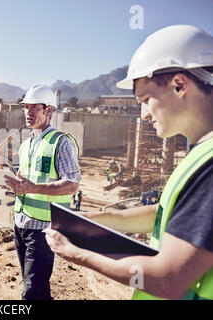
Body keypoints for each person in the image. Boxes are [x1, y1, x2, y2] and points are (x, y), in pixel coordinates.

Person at [44, 25, 213, 300]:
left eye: (146, 100)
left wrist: (78, 254)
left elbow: (168, 279)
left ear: (180, 85)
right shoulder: (201, 152)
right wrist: (95, 220)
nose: (144, 114)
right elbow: (167, 216)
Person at [3, 85, 81, 300]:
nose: (28, 112)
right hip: (21, 224)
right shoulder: (27, 144)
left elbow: (73, 184)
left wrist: (32, 188)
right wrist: (6, 182)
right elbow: (25, 179)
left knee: (31, 293)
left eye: (34, 107)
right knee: (36, 286)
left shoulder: (61, 142)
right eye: (25, 107)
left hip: (43, 228)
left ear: (48, 110)